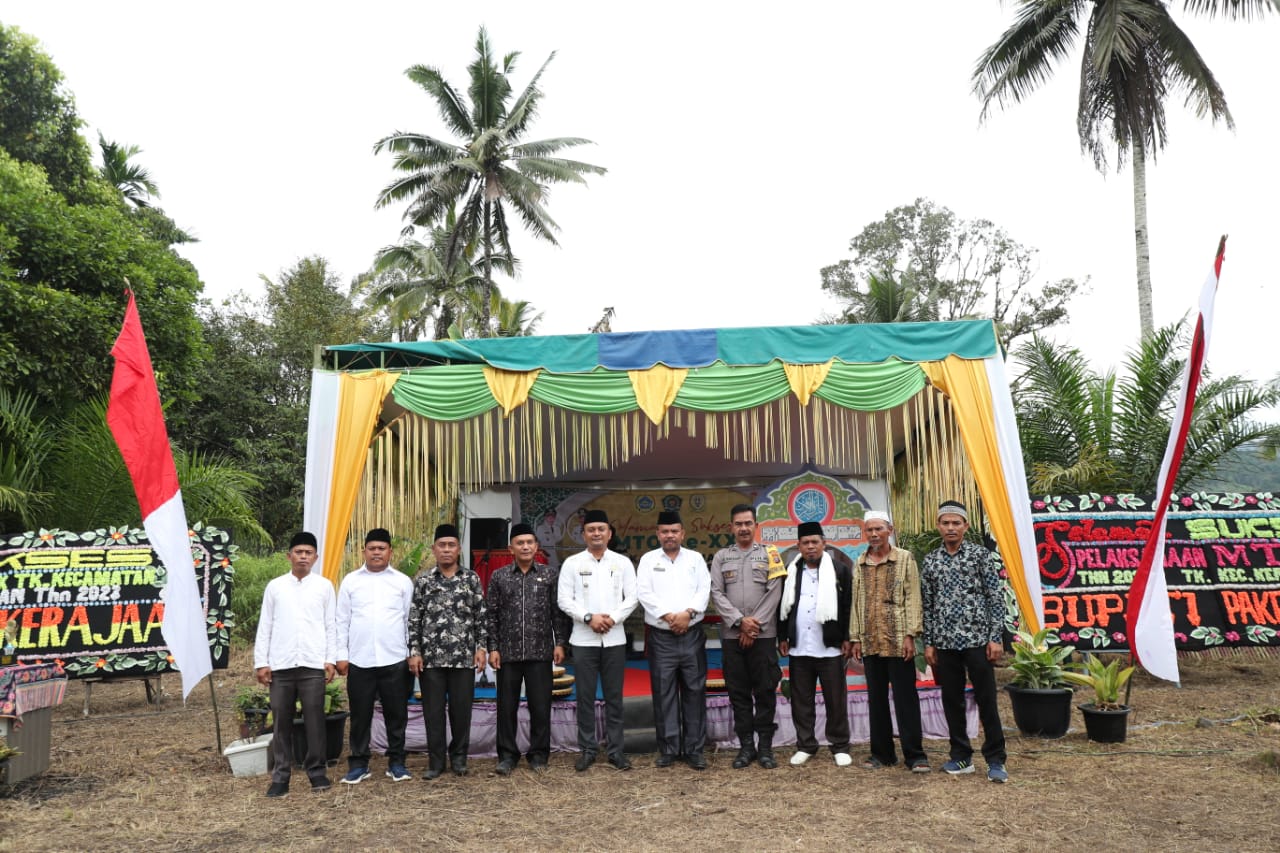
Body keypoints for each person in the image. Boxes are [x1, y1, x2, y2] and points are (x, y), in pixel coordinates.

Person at [921, 500, 1009, 783]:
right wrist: (930, 643)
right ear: (938, 525)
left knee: (987, 700)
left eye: (956, 523)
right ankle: (961, 756)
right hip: (945, 644)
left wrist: (995, 637)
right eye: (945, 523)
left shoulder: (980, 556)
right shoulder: (931, 560)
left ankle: (995, 759)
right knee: (952, 701)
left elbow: (995, 598)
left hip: (977, 641)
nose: (950, 528)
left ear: (965, 526)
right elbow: (928, 604)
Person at [254, 532, 337, 797]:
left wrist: (330, 660)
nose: (303, 556)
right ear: (289, 556)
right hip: (281, 664)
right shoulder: (275, 586)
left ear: (315, 557)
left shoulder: (324, 586)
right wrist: (262, 662)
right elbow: (265, 625)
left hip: (313, 663)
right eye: (298, 552)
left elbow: (330, 625)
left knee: (315, 721)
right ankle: (280, 777)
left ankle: (317, 773)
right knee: (281, 722)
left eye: (308, 552)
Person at [558, 509, 639, 772]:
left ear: (609, 533)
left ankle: (616, 751)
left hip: (614, 639)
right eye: (591, 529)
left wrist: (612, 619)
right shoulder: (572, 563)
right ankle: (588, 750)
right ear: (584, 535)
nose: (596, 533)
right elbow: (564, 600)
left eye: (601, 529)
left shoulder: (622, 563)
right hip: (583, 640)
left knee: (615, 697)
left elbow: (633, 598)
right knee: (585, 697)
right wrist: (589, 617)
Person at [487, 522, 570, 775]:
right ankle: (507, 755)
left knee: (540, 705)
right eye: (520, 543)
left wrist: (560, 643)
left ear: (537, 546)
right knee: (506, 706)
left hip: (541, 651)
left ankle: (538, 754)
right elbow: (491, 615)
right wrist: (493, 647)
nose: (525, 546)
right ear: (510, 548)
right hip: (508, 653)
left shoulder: (549, 575)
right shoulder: (499, 576)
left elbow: (558, 614)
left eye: (529, 542)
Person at [849, 511, 928, 773]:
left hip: (898, 641)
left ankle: (915, 756)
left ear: (889, 529)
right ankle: (881, 754)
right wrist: (855, 638)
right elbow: (856, 604)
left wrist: (910, 635)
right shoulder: (860, 562)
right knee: (877, 699)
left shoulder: (904, 559)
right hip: (871, 641)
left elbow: (913, 598)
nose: (873, 534)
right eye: (869, 530)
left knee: (906, 698)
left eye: (878, 529)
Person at [335, 528, 414, 784]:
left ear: (390, 551)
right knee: (360, 716)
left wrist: (410, 654)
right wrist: (341, 655)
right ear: (364, 551)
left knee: (397, 715)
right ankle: (358, 765)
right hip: (360, 660)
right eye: (372, 548)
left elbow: (408, 621)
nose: (377, 552)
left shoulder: (402, 582)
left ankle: (397, 763)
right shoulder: (351, 581)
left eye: (382, 548)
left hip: (395, 659)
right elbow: (342, 621)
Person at [408, 523, 487, 779]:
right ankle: (436, 761)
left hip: (463, 658)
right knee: (432, 712)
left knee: (461, 711)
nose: (446, 550)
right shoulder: (424, 581)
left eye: (451, 545)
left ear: (458, 549)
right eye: (441, 545)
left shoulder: (471, 579)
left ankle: (460, 759)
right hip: (431, 659)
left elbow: (480, 616)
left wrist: (481, 647)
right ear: (434, 549)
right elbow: (414, 619)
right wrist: (415, 651)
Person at [708, 503, 784, 769]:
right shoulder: (721, 557)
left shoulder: (771, 554)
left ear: (756, 526)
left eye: (748, 523)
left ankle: (765, 749)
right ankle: (746, 748)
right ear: (731, 527)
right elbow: (716, 593)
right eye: (738, 524)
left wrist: (754, 626)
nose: (743, 528)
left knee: (765, 692)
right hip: (732, 637)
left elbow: (775, 592)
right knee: (738, 694)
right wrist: (740, 623)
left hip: (763, 637)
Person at [636, 510, 711, 770]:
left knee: (694, 690)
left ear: (683, 533)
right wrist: (669, 616)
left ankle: (694, 749)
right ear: (658, 533)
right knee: (663, 692)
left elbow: (704, 589)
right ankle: (668, 749)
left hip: (691, 633)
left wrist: (687, 614)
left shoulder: (696, 559)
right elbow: (643, 592)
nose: (670, 535)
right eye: (665, 531)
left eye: (674, 531)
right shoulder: (648, 560)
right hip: (661, 636)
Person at [777, 521, 853, 767]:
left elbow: (847, 606)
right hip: (800, 646)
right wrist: (782, 637)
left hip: (829, 646)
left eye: (815, 542)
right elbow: (783, 606)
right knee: (801, 699)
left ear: (824, 544)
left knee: (835, 699)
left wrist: (847, 638)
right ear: (798, 546)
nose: (810, 547)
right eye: (805, 543)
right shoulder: (791, 570)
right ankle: (806, 744)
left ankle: (840, 745)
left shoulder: (840, 570)